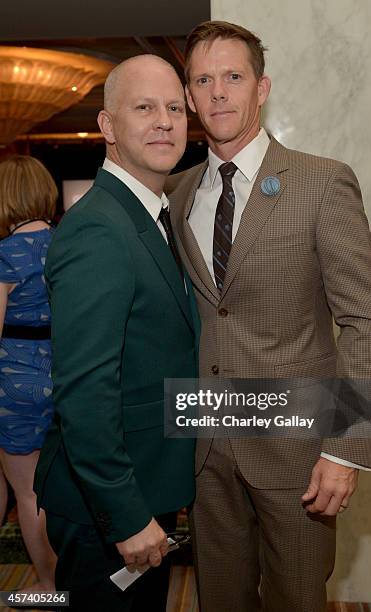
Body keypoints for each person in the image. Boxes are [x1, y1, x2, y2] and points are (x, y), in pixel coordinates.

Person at [166, 21, 371, 612]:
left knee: (296, 598)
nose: (218, 93)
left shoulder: (321, 182)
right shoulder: (179, 192)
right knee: (220, 599)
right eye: (203, 80)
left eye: (233, 77)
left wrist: (345, 448)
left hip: (298, 453)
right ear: (189, 97)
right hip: (208, 448)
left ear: (261, 89)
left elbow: (363, 322)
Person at [34, 55, 199, 612]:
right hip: (108, 512)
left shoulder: (149, 214)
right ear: (107, 127)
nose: (165, 121)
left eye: (175, 107)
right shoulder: (100, 229)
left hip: (144, 490)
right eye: (145, 107)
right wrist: (127, 516)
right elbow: (84, 394)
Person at [0, 155, 57, 593]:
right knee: (49, 486)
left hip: (12, 387)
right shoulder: (67, 244)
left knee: (27, 493)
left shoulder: (5, 254)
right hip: (61, 378)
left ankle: (48, 583)